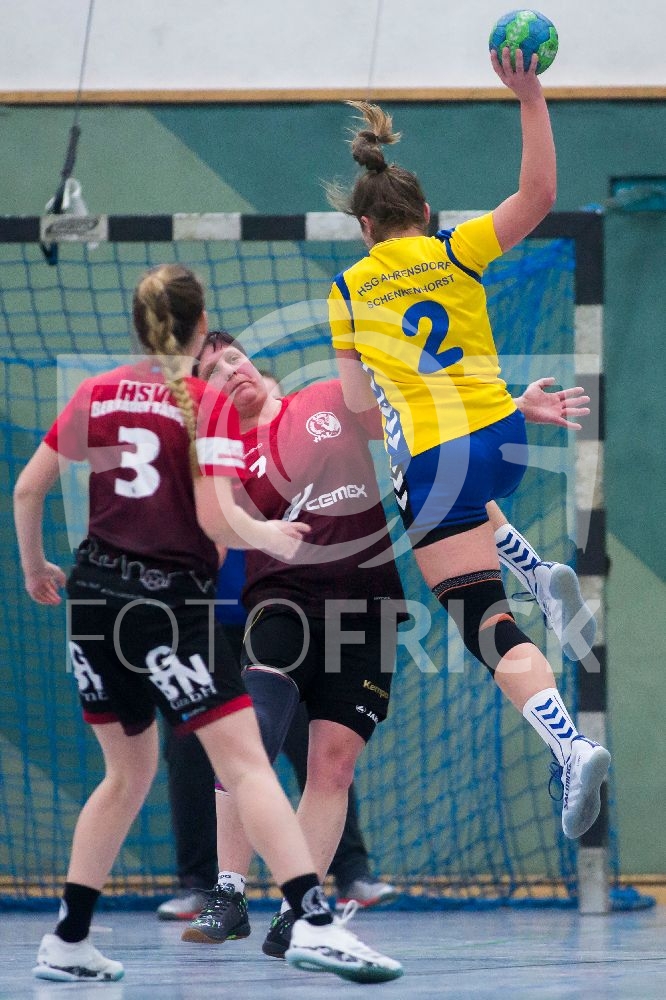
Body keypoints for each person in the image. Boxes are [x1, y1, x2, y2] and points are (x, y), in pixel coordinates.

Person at [13, 264, 402, 984]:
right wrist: (269, 535)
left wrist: (36, 568)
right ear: (198, 329)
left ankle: (67, 939)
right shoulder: (203, 407)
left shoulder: (96, 392)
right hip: (171, 602)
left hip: (93, 598)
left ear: (139, 328)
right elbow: (216, 520)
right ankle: (311, 922)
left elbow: (27, 488)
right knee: (248, 760)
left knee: (126, 776)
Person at [180, 330, 596, 959]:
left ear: (255, 362)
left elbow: (422, 432)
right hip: (284, 602)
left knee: (333, 765)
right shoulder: (222, 457)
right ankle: (229, 894)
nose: (230, 370)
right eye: (212, 371)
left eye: (233, 357)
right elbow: (211, 538)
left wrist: (515, 408)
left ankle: (298, 914)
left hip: (368, 604)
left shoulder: (327, 399)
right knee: (252, 734)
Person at [326, 47, 610, 849]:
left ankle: (571, 746)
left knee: (483, 620)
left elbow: (359, 409)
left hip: (438, 459)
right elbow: (540, 195)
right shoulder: (456, 248)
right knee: (462, 505)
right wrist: (530, 95)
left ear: (365, 228)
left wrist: (394, 420)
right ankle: (537, 570)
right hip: (504, 434)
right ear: (425, 213)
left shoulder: (348, 290)